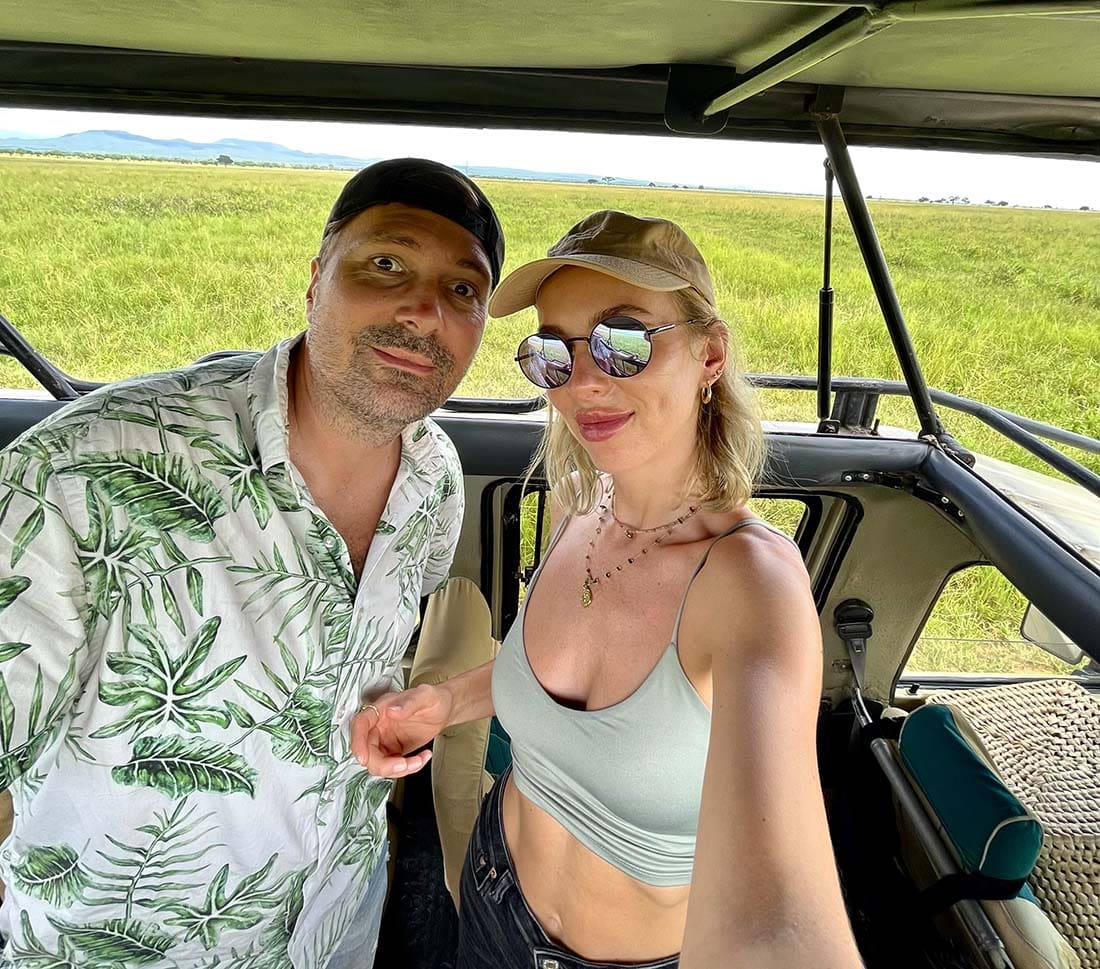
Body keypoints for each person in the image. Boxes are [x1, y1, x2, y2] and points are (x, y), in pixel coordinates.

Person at [0, 158, 503, 969]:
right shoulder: (79, 475)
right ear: (316, 279)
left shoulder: (435, 477)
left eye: (462, 288)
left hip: (337, 931)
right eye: (386, 263)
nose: (423, 309)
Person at [352, 211, 865, 969]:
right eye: (552, 353)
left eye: (623, 342)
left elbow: (779, 917)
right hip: (494, 891)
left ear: (710, 354)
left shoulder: (752, 583)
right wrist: (444, 703)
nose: (583, 382)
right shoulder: (578, 505)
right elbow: (552, 672)